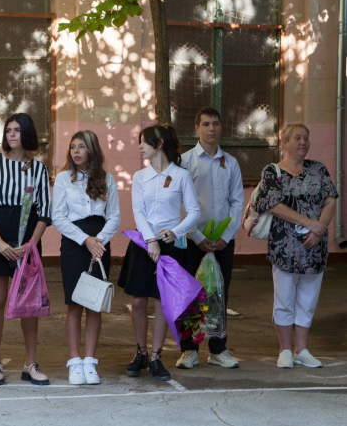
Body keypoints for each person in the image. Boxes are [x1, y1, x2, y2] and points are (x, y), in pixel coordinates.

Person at [118, 124, 200, 382]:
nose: (140, 146)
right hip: (144, 243)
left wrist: (176, 231)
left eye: (144, 141)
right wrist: (151, 239)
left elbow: (194, 213)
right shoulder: (140, 177)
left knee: (162, 301)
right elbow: (138, 212)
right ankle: (140, 352)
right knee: (138, 301)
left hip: (171, 245)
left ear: (160, 143)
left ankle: (156, 356)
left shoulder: (181, 176)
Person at [255, 123, 338, 369]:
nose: (303, 142)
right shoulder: (272, 171)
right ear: (285, 142)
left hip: (315, 246)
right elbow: (273, 205)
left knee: (307, 300)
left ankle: (301, 350)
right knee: (284, 299)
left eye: (306, 138)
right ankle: (284, 350)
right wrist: (308, 223)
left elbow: (330, 200)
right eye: (297, 138)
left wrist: (319, 228)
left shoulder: (318, 169)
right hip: (285, 247)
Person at [0, 113, 52, 386]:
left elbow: (45, 213)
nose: (12, 134)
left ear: (28, 134)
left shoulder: (39, 169)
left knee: (29, 302)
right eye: (8, 130)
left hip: (28, 239)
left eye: (17, 130)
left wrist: (30, 245)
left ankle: (30, 363)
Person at [176, 107, 243, 370]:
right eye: (206, 124)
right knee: (190, 295)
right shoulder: (185, 162)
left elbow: (237, 202)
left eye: (215, 123)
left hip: (223, 243)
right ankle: (189, 349)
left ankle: (218, 349)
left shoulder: (231, 163)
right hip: (193, 241)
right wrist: (196, 235)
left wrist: (226, 236)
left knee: (219, 294)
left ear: (221, 127)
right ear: (197, 128)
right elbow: (180, 203)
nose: (211, 128)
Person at [52, 130, 120, 385]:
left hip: (100, 244)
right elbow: (58, 217)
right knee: (74, 304)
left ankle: (90, 362)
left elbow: (114, 216)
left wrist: (98, 241)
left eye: (81, 146)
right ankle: (75, 363)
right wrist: (85, 240)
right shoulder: (63, 179)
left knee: (94, 302)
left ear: (92, 149)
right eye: (73, 147)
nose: (76, 151)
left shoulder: (107, 179)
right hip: (74, 243)